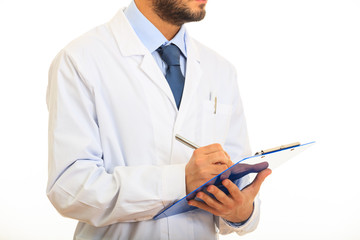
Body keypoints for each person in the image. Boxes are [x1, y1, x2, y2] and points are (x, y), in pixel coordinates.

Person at [46, 0, 271, 239]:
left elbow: (239, 183)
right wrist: (178, 182)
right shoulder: (80, 60)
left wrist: (241, 212)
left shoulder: (220, 70)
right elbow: (69, 189)